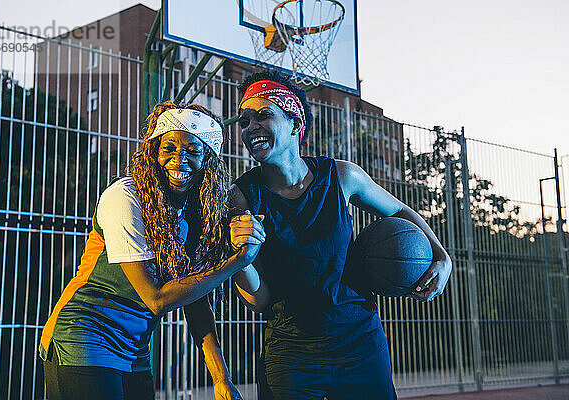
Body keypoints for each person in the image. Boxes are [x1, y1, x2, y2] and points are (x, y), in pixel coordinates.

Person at [229, 71, 453, 400]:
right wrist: (242, 260)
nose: (250, 128)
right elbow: (260, 301)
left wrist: (441, 256)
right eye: (245, 120)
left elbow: (401, 212)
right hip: (291, 353)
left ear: (295, 123)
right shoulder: (242, 197)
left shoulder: (342, 175)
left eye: (263, 115)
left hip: (359, 343)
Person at [39, 101, 265, 400]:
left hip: (135, 348)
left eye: (194, 151)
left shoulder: (198, 211)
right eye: (168, 147)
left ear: (209, 158)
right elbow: (156, 299)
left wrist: (220, 377)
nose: (179, 159)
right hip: (85, 335)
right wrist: (238, 260)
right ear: (154, 150)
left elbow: (195, 298)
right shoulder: (125, 196)